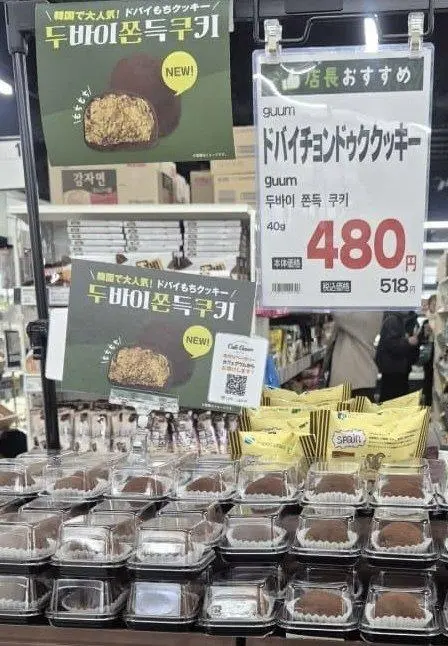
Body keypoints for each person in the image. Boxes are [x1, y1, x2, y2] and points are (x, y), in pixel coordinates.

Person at [328, 312, 383, 400]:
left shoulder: (365, 315)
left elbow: (338, 313)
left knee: (353, 408)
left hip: (355, 383)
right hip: (360, 380)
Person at [376, 312, 419, 402]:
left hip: (399, 368)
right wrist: (408, 341)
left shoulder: (408, 319)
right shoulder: (393, 320)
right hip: (393, 368)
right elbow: (392, 344)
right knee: (391, 398)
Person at [418, 294, 437, 406]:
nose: (434, 307)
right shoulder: (426, 322)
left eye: (436, 304)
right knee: (428, 382)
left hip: (440, 356)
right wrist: (425, 334)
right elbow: (419, 340)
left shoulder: (442, 320)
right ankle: (428, 405)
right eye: (432, 304)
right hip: (429, 358)